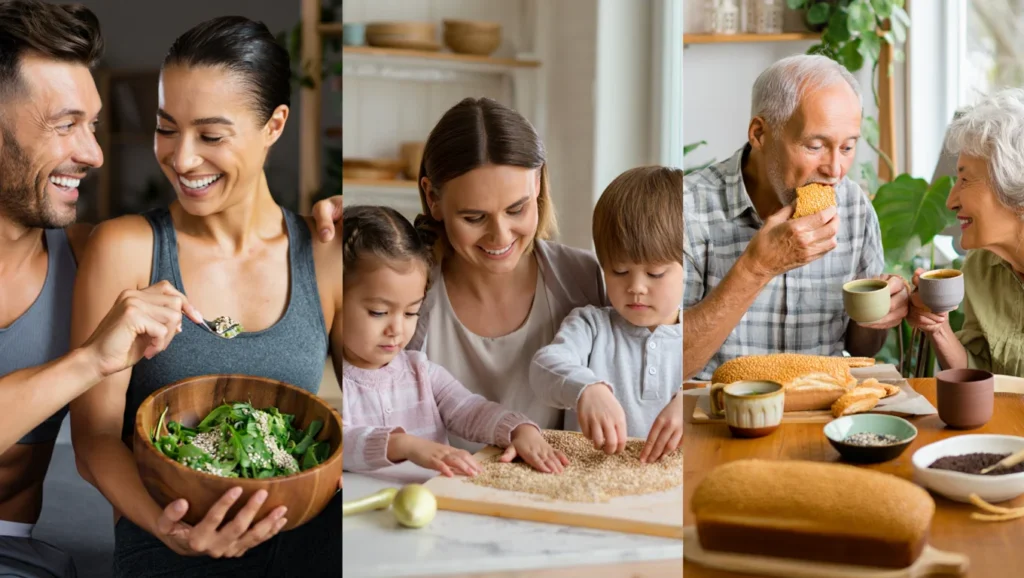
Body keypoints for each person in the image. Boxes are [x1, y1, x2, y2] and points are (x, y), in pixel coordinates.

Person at [0, 3, 337, 576]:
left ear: (274, 126)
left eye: (211, 134)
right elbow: (96, 440)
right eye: (65, 124)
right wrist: (88, 362)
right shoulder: (121, 249)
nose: (95, 154)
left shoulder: (80, 251)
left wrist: (380, 241)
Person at [683, 54, 908, 382]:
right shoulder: (689, 208)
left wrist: (878, 308)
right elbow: (668, 364)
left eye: (847, 148)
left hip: (821, 409)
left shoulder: (854, 208)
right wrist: (757, 268)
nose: (834, 170)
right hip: (716, 414)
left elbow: (862, 349)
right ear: (760, 134)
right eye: (816, 146)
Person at [409, 97, 609, 452]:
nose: (500, 236)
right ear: (433, 198)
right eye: (474, 217)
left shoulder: (586, 281)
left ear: (538, 184)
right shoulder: (407, 293)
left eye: (517, 209)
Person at [341, 205, 570, 476]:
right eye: (378, 312)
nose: (397, 328)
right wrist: (404, 445)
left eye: (411, 311)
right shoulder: (332, 380)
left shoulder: (420, 370)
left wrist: (518, 429)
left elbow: (470, 409)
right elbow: (341, 442)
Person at [531, 167, 683, 462]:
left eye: (655, 273)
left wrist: (690, 402)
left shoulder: (699, 337)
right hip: (589, 488)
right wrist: (587, 389)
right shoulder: (591, 326)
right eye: (620, 271)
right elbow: (543, 368)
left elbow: (725, 388)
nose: (636, 287)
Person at [905, 88, 1024, 376]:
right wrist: (937, 325)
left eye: (965, 179)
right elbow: (979, 373)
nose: (950, 201)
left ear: (1013, 184)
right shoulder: (980, 267)